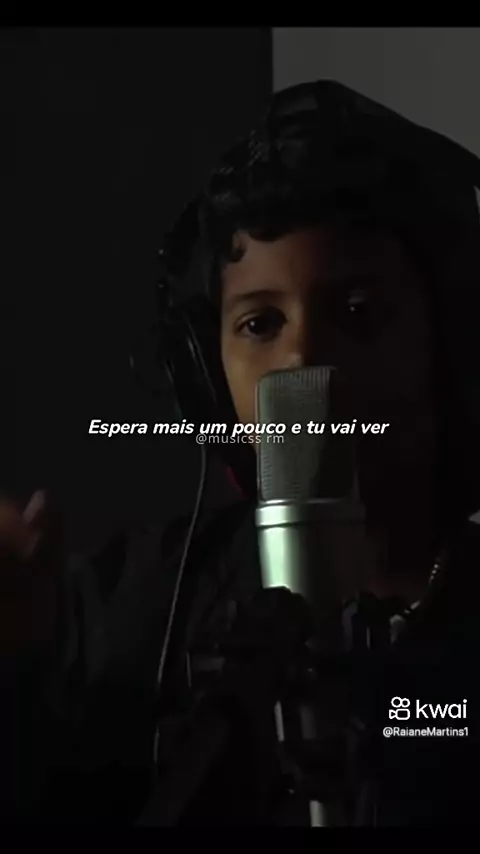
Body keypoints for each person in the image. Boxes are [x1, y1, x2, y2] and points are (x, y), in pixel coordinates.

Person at [2, 79, 480, 826]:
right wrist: (20, 669)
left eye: (358, 313)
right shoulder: (141, 605)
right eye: (260, 324)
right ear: (205, 373)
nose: (303, 363)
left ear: (447, 346)